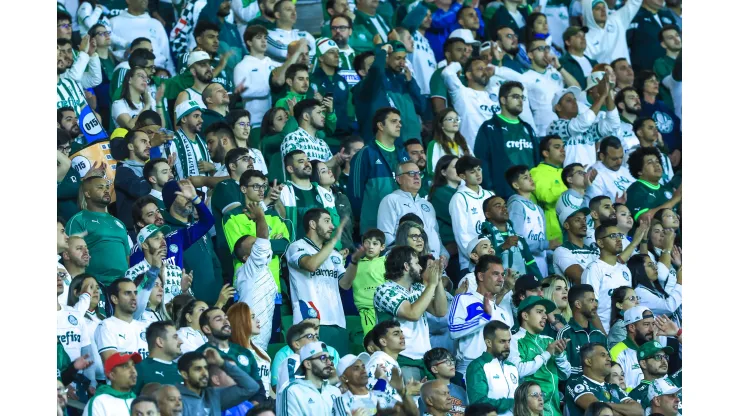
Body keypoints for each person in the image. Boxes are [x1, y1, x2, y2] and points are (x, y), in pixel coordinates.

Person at [286, 208, 361, 356]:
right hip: (309, 323)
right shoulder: (297, 247)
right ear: (313, 224)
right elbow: (311, 265)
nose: (332, 227)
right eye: (327, 221)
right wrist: (334, 241)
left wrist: (354, 262)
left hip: (337, 321)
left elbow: (345, 284)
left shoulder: (334, 255)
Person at [374, 246, 447, 379]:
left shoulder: (417, 288)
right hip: (403, 358)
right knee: (408, 399)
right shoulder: (385, 290)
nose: (420, 268)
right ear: (406, 266)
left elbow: (440, 311)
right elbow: (412, 314)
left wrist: (438, 279)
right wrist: (431, 285)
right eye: (417, 263)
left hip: (424, 359)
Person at [229, 200, 285, 351]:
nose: (262, 244)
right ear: (247, 257)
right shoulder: (252, 268)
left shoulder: (256, 270)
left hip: (259, 339)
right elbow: (263, 238)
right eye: (254, 245)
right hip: (250, 339)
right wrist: (260, 215)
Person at [347, 107, 410, 234]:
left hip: (403, 225)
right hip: (374, 227)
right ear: (380, 125)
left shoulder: (403, 153)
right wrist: (360, 219)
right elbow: (355, 192)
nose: (399, 125)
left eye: (400, 122)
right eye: (394, 121)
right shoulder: (365, 154)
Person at [474, 81, 540, 198]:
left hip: (531, 195)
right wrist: (489, 191)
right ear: (503, 100)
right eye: (515, 97)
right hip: (503, 195)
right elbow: (482, 161)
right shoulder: (489, 128)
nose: (520, 101)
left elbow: (537, 162)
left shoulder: (528, 128)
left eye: (522, 97)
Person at [449, 255, 513, 375]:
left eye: (502, 274)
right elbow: (453, 331)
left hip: (498, 369)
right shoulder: (463, 300)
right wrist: (484, 318)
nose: (501, 279)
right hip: (469, 368)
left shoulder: (503, 313)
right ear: (481, 276)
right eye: (495, 274)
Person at [509, 296, 571, 416]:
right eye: (539, 312)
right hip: (530, 411)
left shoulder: (549, 340)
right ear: (525, 316)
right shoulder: (514, 340)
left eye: (545, 313)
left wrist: (559, 356)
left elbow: (565, 374)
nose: (544, 316)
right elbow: (517, 372)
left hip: (555, 409)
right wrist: (546, 354)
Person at [66, 177, 131, 286]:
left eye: (107, 187)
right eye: (100, 188)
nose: (106, 190)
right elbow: (70, 255)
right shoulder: (79, 219)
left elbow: (127, 256)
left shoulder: (119, 222)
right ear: (88, 194)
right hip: (95, 284)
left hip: (120, 286)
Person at [195, 307, 267, 402]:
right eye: (219, 319)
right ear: (207, 329)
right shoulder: (200, 355)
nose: (226, 322)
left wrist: (252, 407)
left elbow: (259, 389)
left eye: (226, 318)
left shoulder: (245, 352)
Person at [377, 161, 446, 259]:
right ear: (399, 179)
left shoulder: (427, 204)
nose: (417, 177)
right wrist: (406, 255)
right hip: (408, 260)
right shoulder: (391, 199)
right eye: (411, 174)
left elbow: (436, 234)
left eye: (419, 173)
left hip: (434, 259)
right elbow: (385, 235)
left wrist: (444, 254)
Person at [548, 81, 618, 169]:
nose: (574, 103)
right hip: (569, 179)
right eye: (569, 100)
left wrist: (607, 94)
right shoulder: (555, 126)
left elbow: (612, 124)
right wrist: (602, 95)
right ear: (558, 107)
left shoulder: (585, 127)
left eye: (575, 100)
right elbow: (583, 123)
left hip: (590, 178)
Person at [506, 165, 559, 277]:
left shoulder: (538, 209)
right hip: (525, 266)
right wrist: (546, 244)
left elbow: (543, 240)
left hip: (542, 265)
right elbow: (517, 242)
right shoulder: (516, 205)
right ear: (516, 185)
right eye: (525, 178)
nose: (531, 179)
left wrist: (554, 255)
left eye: (530, 176)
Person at [564, 343, 641, 416]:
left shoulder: (614, 387)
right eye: (603, 355)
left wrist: (604, 404)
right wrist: (624, 411)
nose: (609, 359)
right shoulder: (576, 382)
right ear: (588, 361)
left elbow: (639, 411)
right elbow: (599, 410)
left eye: (608, 355)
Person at [582, 222, 632, 334]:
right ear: (600, 242)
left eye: (620, 235)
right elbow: (590, 308)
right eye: (613, 236)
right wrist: (604, 336)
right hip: (604, 333)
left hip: (626, 334)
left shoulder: (625, 270)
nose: (619, 239)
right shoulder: (594, 269)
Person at [176, 349, 261, 415]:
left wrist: (221, 363)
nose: (204, 373)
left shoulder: (214, 396)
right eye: (198, 369)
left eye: (205, 368)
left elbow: (252, 387)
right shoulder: (175, 398)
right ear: (185, 374)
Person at [449, 156, 495, 272]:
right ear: (462, 176)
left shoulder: (489, 194)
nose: (478, 174)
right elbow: (461, 234)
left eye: (479, 169)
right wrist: (475, 256)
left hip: (494, 256)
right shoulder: (459, 198)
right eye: (472, 172)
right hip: (472, 262)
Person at [276, 342, 348, 415]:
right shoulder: (293, 392)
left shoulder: (335, 391)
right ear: (308, 364)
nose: (329, 362)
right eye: (323, 358)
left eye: (330, 358)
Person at [464, 320, 517, 415]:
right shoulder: (477, 366)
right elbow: (479, 402)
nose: (507, 346)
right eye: (502, 341)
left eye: (509, 341)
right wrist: (513, 402)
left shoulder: (512, 367)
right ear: (488, 342)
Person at [110, 0, 175, 74]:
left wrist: (172, 78)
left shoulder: (156, 24)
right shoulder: (114, 23)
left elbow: (167, 57)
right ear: (128, 1)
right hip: (129, 75)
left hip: (158, 74)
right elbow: (108, 54)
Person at [556, 285, 606, 377]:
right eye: (591, 301)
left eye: (595, 300)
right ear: (578, 304)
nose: (596, 305)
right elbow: (561, 372)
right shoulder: (565, 334)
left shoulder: (599, 335)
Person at [227, 302, 273, 399]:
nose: (258, 320)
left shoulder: (262, 352)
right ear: (240, 321)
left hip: (267, 404)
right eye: (252, 317)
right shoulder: (232, 353)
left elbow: (268, 386)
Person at [625, 147, 681, 222]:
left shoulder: (666, 189)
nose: (656, 165)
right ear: (640, 171)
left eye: (657, 161)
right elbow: (644, 219)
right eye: (650, 162)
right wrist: (675, 199)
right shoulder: (636, 190)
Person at [166, 101, 214, 186]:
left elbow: (215, 173)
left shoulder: (203, 143)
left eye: (200, 116)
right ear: (184, 119)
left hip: (205, 196)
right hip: (182, 195)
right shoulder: (173, 142)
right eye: (196, 116)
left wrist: (211, 168)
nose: (201, 120)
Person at [609, 306, 658, 391]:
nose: (652, 329)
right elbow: (617, 388)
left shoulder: (655, 349)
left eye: (653, 324)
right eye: (646, 324)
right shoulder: (617, 352)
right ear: (632, 327)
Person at [529, 135, 567, 243]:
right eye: (557, 147)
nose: (562, 150)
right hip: (551, 234)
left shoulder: (563, 172)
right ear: (545, 153)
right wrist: (572, 186)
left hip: (569, 231)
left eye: (563, 147)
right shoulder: (536, 172)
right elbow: (546, 197)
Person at [626, 0, 680, 73]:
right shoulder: (634, 15)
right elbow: (624, 45)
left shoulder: (667, 15)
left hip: (673, 71)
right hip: (646, 74)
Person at [628, 254, 682, 326]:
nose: (656, 267)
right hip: (664, 335)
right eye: (650, 265)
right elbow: (669, 307)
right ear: (638, 270)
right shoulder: (639, 292)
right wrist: (679, 283)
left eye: (654, 264)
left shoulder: (656, 287)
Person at [115, 129, 153, 232]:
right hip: (134, 232)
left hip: (154, 227)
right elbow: (139, 190)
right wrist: (158, 175)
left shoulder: (151, 169)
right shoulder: (122, 170)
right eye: (144, 141)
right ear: (131, 146)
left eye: (149, 142)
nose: (149, 146)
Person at [581, 0, 640, 66]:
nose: (603, 10)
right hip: (605, 74)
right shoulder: (585, 39)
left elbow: (635, 2)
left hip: (625, 72)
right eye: (598, 8)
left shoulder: (617, 20)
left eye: (604, 7)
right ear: (589, 13)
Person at [352, 229, 387, 335]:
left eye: (375, 244)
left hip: (382, 310)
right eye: (367, 243)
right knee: (369, 340)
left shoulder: (386, 262)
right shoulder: (354, 264)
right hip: (364, 310)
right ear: (362, 245)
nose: (371, 246)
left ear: (382, 247)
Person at [133, 321, 184, 394]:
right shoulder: (138, 370)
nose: (181, 342)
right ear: (160, 342)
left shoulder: (183, 370)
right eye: (175, 337)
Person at [628, 341, 680, 410]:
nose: (664, 361)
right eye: (658, 357)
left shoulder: (674, 379)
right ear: (643, 364)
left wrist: (678, 334)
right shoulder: (635, 395)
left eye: (665, 357)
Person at [552, 205, 598, 284]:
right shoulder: (562, 251)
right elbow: (582, 279)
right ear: (567, 225)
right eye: (577, 220)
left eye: (584, 219)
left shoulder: (593, 250)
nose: (584, 223)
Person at [585, 137, 635, 206]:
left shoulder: (625, 170)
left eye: (621, 157)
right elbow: (596, 206)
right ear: (602, 156)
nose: (619, 162)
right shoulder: (595, 174)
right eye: (614, 159)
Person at [429, 37, 471, 115]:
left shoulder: (468, 74)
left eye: (465, 50)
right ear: (448, 54)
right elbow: (439, 108)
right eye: (459, 50)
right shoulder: (440, 74)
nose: (464, 54)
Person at [421, 348, 468, 415]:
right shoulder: (429, 391)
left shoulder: (461, 390)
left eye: (452, 360)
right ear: (434, 369)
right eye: (446, 362)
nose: (452, 364)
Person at [426, 109, 471, 176]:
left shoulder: (464, 144)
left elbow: (473, 165)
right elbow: (432, 170)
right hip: (445, 184)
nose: (455, 121)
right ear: (441, 125)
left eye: (457, 119)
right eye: (450, 119)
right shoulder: (434, 144)